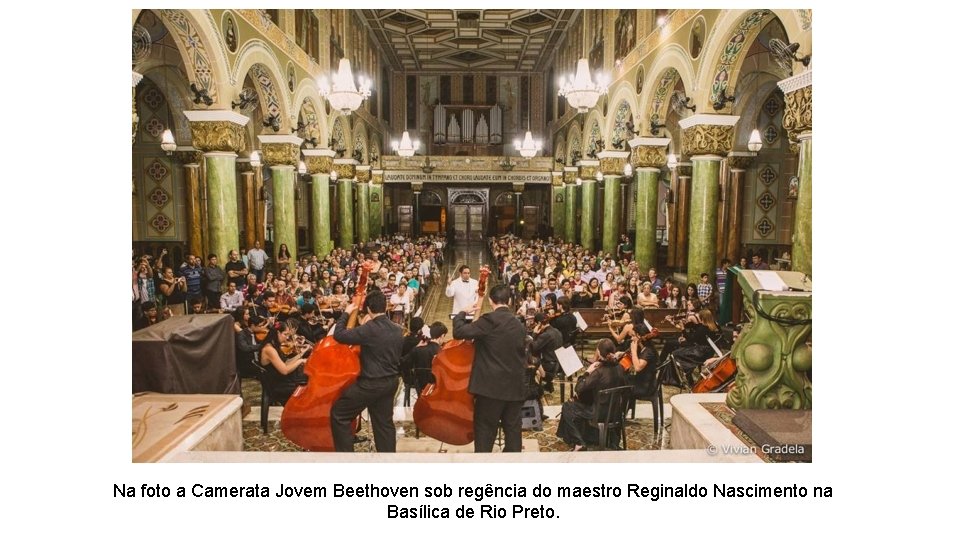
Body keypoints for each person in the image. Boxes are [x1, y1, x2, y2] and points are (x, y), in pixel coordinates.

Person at [453, 284, 527, 453]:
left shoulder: (490, 320)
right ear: (508, 300)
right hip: (515, 387)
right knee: (513, 431)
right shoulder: (519, 324)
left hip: (491, 389)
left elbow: (459, 332)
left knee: (485, 432)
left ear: (491, 300)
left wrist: (462, 313)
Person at [331, 291, 403, 452]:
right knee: (384, 424)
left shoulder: (370, 328)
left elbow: (339, 334)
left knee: (339, 414)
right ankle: (388, 460)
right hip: (390, 382)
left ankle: (346, 459)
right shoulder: (397, 329)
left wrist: (347, 312)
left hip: (371, 383)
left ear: (369, 309)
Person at [556, 338, 627, 451]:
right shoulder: (620, 368)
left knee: (567, 406)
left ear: (599, 352)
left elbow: (578, 388)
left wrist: (587, 371)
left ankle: (579, 443)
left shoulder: (598, 372)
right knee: (579, 403)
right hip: (616, 412)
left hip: (599, 414)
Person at [258, 319, 310, 404]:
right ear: (278, 333)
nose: (287, 337)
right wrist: (300, 361)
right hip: (278, 384)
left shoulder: (274, 345)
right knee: (308, 382)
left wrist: (302, 353)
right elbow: (284, 371)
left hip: (281, 379)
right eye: (285, 334)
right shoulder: (269, 349)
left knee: (308, 376)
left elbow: (286, 362)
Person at [529, 312, 563, 393]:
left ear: (539, 324)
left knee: (528, 361)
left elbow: (532, 347)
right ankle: (548, 385)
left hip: (548, 366)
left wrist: (534, 334)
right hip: (557, 364)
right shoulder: (556, 330)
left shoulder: (546, 335)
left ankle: (534, 388)